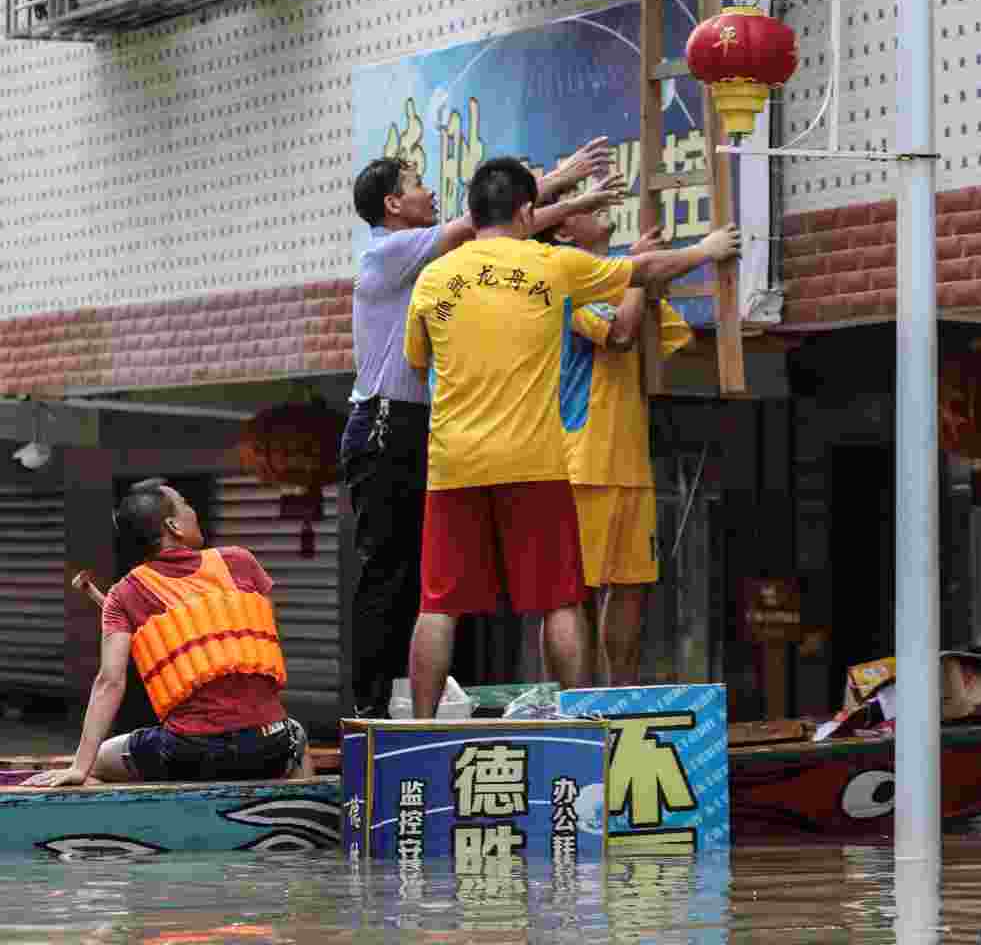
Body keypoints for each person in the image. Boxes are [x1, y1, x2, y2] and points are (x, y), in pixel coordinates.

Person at [403, 157, 741, 717]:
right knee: (559, 601)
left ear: (474, 212)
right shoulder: (553, 267)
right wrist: (706, 251)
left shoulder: (434, 278)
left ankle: (418, 729)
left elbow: (420, 365)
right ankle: (578, 720)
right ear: (527, 211)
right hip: (536, 461)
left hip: (453, 462)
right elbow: (645, 271)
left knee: (438, 605)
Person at [342, 137, 623, 717]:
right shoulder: (392, 252)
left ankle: (426, 701)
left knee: (435, 579)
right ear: (393, 204)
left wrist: (566, 202)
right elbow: (489, 221)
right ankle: (370, 706)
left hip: (429, 428)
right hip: (387, 425)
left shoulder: (436, 262)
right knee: (392, 573)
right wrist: (564, 179)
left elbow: (504, 233)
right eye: (416, 183)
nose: (426, 192)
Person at [27, 480, 313, 787]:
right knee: (296, 735)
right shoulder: (240, 562)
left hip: (187, 751)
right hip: (269, 742)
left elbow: (110, 681)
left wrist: (78, 768)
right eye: (186, 503)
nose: (193, 510)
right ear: (173, 525)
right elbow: (257, 640)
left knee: (96, 763)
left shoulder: (125, 594)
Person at [545, 210, 696, 685]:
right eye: (583, 204)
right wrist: (637, 271)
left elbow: (667, 339)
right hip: (582, 458)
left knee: (632, 585)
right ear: (565, 230)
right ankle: (571, 703)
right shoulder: (570, 277)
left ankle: (620, 697)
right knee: (571, 593)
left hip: (629, 457)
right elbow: (621, 333)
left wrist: (647, 274)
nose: (601, 207)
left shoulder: (613, 275)